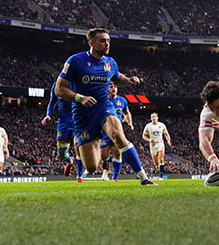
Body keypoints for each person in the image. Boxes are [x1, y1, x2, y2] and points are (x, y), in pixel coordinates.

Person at [55, 28, 155, 186]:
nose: (107, 44)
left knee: (118, 136)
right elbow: (59, 89)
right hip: (83, 115)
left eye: (108, 41)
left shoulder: (110, 63)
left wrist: (128, 80)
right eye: (102, 41)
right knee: (92, 166)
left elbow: (117, 77)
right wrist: (80, 98)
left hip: (104, 107)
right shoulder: (75, 60)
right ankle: (97, 136)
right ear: (91, 43)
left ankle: (143, 177)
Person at [42, 81, 84, 180]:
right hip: (63, 122)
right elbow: (52, 102)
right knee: (61, 154)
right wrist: (48, 115)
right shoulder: (57, 85)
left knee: (78, 146)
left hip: (78, 120)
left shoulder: (78, 83)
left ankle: (80, 175)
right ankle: (70, 161)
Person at [100, 84, 133, 181]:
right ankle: (105, 171)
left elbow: (127, 112)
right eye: (111, 87)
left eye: (115, 86)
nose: (113, 88)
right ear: (107, 89)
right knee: (104, 156)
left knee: (117, 154)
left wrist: (130, 123)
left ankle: (115, 177)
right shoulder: (102, 100)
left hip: (118, 132)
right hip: (105, 132)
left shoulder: (122, 100)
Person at [142, 112, 171, 178]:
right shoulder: (148, 126)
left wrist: (168, 141)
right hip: (152, 145)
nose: (153, 118)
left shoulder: (162, 125)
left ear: (157, 118)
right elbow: (144, 136)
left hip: (160, 143)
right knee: (156, 162)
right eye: (152, 117)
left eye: (154, 117)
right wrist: (149, 140)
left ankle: (161, 176)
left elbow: (166, 134)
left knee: (161, 158)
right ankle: (158, 167)